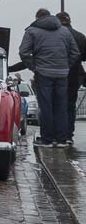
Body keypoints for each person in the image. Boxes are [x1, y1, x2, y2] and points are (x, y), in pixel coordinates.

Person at [19, 8, 81, 147]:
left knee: (46, 106)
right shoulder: (64, 31)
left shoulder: (32, 31)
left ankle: (46, 139)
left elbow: (23, 52)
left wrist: (34, 67)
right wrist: (66, 66)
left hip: (43, 73)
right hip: (62, 74)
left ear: (38, 18)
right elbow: (75, 53)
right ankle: (61, 140)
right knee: (61, 106)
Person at [56, 12, 86, 145]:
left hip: (57, 74)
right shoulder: (80, 36)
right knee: (70, 106)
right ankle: (68, 134)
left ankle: (58, 134)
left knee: (57, 104)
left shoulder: (56, 35)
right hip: (75, 75)